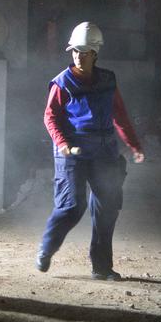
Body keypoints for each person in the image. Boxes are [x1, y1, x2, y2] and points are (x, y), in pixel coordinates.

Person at [36, 21, 145, 281]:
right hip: (72, 152)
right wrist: (62, 143)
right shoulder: (62, 83)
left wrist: (133, 144)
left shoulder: (108, 80)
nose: (78, 56)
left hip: (104, 152)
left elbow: (119, 114)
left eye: (84, 52)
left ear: (96, 53)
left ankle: (102, 267)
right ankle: (46, 248)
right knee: (72, 206)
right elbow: (50, 117)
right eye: (75, 51)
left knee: (107, 207)